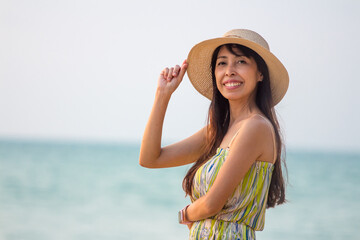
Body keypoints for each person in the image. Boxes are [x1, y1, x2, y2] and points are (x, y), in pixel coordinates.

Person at [139, 29, 289, 240]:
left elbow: (212, 204)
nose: (229, 71)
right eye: (222, 63)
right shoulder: (218, 131)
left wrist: (186, 214)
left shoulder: (256, 127)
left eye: (241, 62)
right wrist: (162, 95)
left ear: (260, 73)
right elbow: (150, 159)